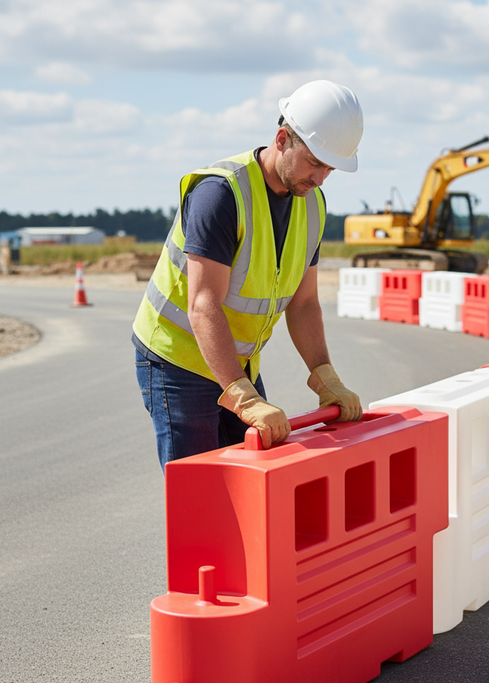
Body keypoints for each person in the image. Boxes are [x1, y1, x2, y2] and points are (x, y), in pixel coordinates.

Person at [133, 79, 364, 471]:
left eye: (330, 167)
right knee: (202, 490)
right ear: (281, 139)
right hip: (178, 361)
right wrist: (244, 396)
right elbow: (203, 305)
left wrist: (325, 377)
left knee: (250, 484)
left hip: (233, 363)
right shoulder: (220, 194)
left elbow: (304, 303)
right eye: (314, 161)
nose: (321, 177)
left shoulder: (312, 205)